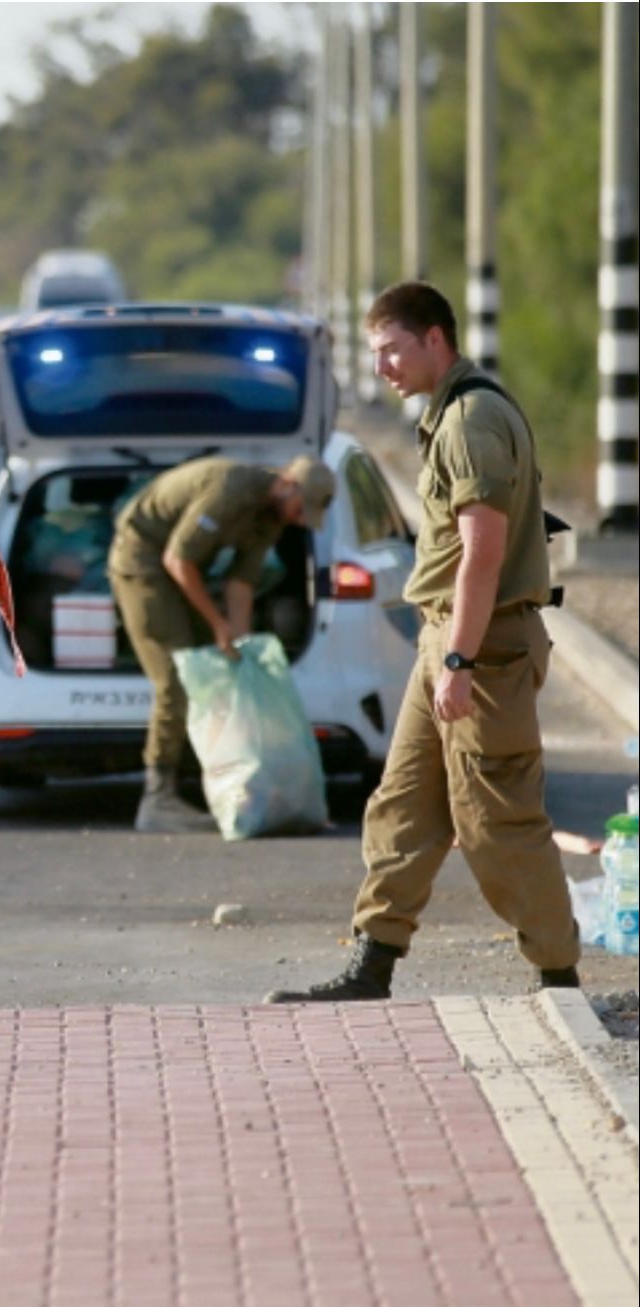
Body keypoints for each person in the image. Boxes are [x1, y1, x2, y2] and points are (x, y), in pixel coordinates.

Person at [267, 281, 581, 1004]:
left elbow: (484, 553)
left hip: (484, 647)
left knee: (497, 819)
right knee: (403, 803)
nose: (381, 369)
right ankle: (372, 963)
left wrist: (462, 662)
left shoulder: (471, 419)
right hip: (445, 639)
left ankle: (559, 977)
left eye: (390, 351)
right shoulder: (447, 414)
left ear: (435, 338)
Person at [107, 454, 336, 833]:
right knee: (176, 674)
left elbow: (240, 584)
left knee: (214, 667)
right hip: (143, 559)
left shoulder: (271, 518)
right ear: (287, 485)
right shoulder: (233, 488)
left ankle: (217, 782)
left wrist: (238, 647)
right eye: (300, 508)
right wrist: (217, 624)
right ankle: (158, 796)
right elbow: (178, 559)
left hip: (178, 567)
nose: (299, 519)